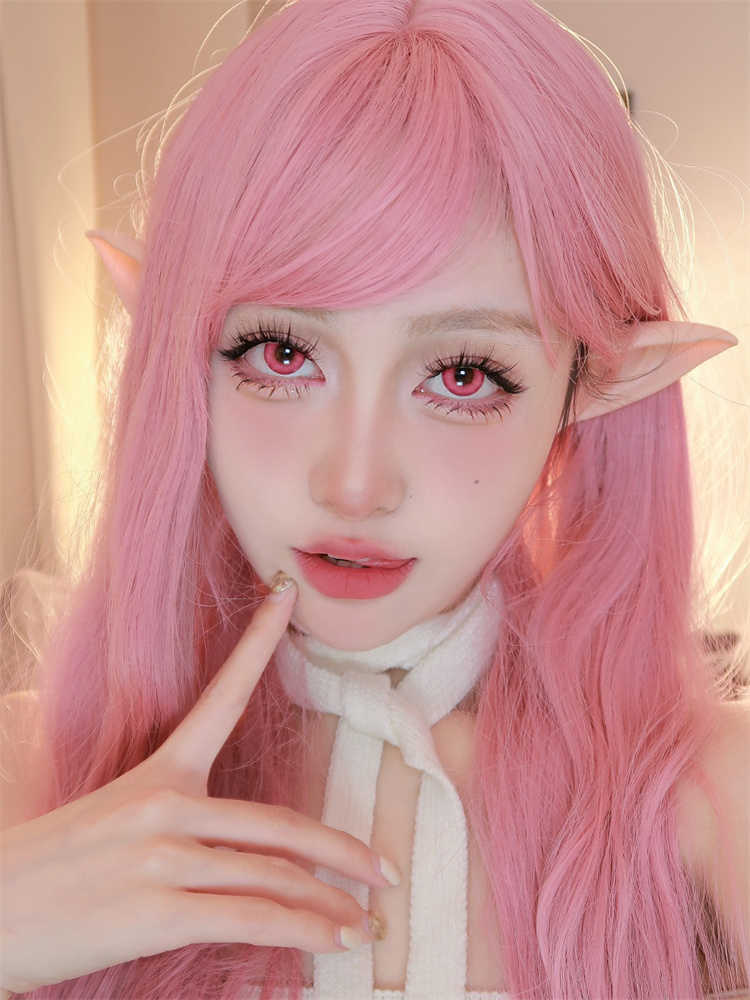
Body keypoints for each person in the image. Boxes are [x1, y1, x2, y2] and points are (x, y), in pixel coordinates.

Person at [1, 0, 748, 997]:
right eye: (281, 353)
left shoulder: (711, 798)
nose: (354, 484)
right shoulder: (28, 776)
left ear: (595, 387)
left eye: (465, 375)